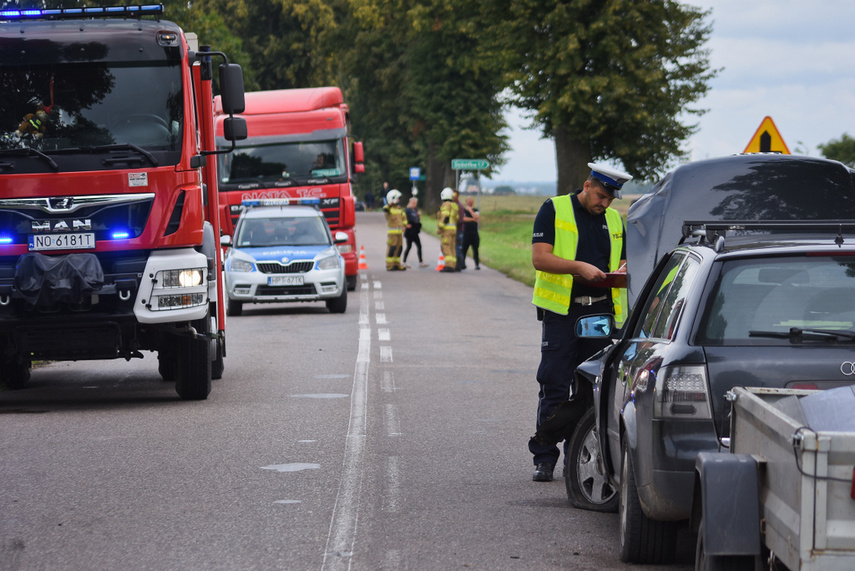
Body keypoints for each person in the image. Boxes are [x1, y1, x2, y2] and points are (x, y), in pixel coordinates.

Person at [528, 163, 632, 482]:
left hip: (600, 314)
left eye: (610, 199)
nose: (605, 203)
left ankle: (578, 459)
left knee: (591, 389)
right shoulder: (554, 209)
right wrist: (578, 267)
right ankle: (545, 457)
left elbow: (623, 258)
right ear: (587, 186)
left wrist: (623, 270)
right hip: (563, 312)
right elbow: (540, 258)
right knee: (555, 384)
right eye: (601, 196)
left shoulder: (614, 219)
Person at [383, 188, 407, 271]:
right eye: (397, 198)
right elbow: (385, 208)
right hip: (392, 234)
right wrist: (390, 203)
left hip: (399, 233)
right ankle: (389, 265)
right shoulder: (388, 209)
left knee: (399, 248)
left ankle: (396, 264)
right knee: (392, 248)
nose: (399, 200)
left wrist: (405, 225)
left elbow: (404, 217)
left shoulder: (399, 209)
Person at [436, 187, 459, 273]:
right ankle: (453, 265)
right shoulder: (454, 205)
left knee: (446, 246)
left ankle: (448, 266)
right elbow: (457, 218)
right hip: (453, 229)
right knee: (452, 247)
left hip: (447, 230)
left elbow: (445, 217)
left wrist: (440, 227)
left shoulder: (446, 205)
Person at [403, 197, 428, 267]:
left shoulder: (416, 210)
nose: (414, 204)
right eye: (413, 203)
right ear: (410, 203)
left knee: (419, 246)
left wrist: (419, 216)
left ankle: (421, 262)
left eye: (415, 203)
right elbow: (403, 218)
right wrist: (405, 226)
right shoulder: (407, 210)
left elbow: (417, 220)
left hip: (415, 230)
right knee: (409, 247)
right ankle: (404, 261)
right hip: (409, 231)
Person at [460, 197, 480, 270]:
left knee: (476, 250)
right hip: (466, 233)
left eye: (471, 202)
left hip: (474, 233)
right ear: (466, 202)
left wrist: (470, 211)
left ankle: (477, 264)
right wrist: (473, 219)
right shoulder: (463, 211)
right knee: (464, 249)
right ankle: (462, 264)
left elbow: (477, 217)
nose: (470, 203)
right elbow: (463, 219)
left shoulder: (476, 210)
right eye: (468, 202)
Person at [453, 189, 466, 270]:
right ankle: (460, 264)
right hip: (455, 229)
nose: (453, 197)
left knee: (457, 247)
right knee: (456, 247)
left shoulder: (459, 206)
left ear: (458, 196)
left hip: (458, 229)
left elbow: (461, 219)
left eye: (454, 196)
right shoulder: (453, 205)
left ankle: (459, 265)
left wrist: (454, 223)